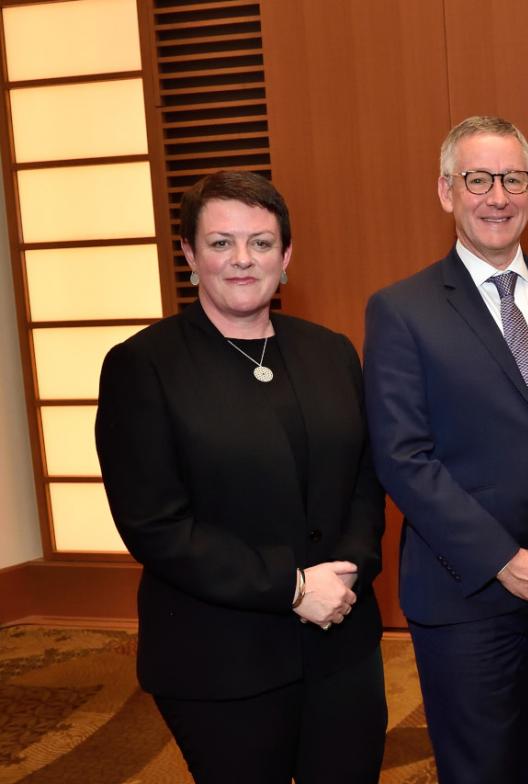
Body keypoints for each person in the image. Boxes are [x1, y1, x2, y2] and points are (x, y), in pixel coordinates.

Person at [95, 171, 387, 783]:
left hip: (341, 636)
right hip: (220, 656)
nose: (242, 259)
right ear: (189, 255)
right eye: (221, 243)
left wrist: (350, 566)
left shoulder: (329, 350)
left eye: (260, 242)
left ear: (286, 256)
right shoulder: (142, 366)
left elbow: (364, 474)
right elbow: (155, 524)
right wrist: (292, 587)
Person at [363, 116, 528, 784]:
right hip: (466, 593)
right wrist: (505, 561)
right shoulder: (402, 309)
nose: (497, 196)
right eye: (478, 179)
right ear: (447, 191)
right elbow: (403, 458)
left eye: (513, 179)